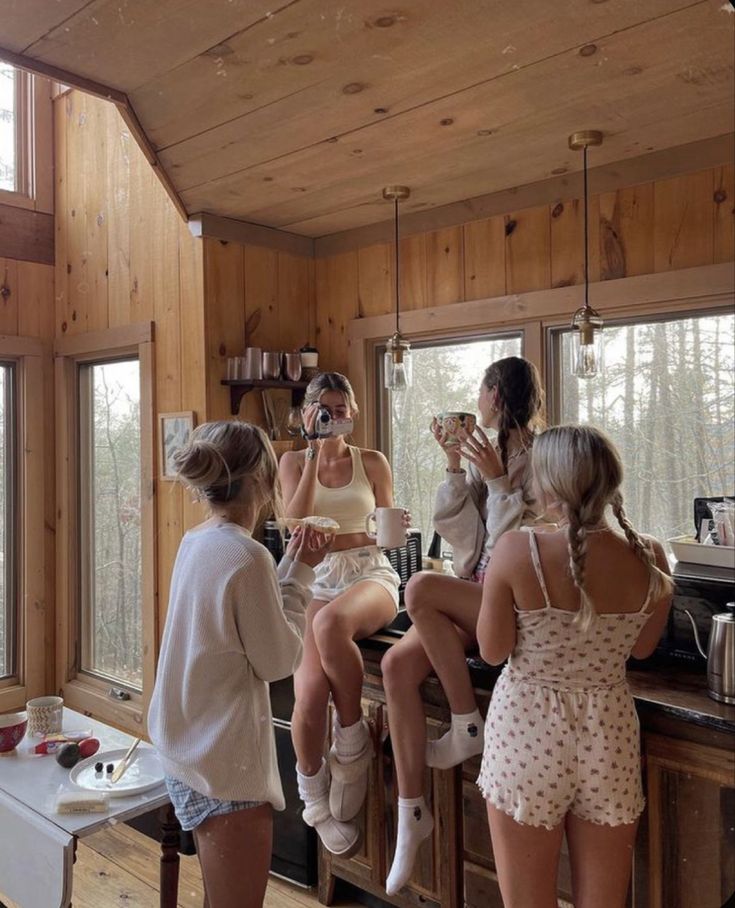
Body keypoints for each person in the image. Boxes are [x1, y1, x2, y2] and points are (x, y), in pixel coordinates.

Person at [476, 425, 673, 908]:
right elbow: (643, 648)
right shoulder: (651, 556)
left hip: (527, 731)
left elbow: (492, 650)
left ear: (549, 484)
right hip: (608, 733)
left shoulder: (517, 551)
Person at [148, 421, 332, 908]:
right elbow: (277, 661)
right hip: (224, 764)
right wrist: (305, 573)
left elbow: (239, 629)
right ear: (264, 480)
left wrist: (290, 570)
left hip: (185, 748)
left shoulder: (198, 540)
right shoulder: (247, 556)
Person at [381, 355, 544, 895]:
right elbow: (459, 536)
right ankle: (412, 814)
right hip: (474, 592)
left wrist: (500, 485)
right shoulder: (483, 454)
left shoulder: (542, 459)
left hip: (511, 603)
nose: (475, 401)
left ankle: (465, 722)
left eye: (480, 390)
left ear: (495, 395)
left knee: (420, 588)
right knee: (395, 666)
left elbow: (515, 555)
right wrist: (455, 465)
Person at [279, 371, 403, 856]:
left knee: (330, 624)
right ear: (310, 413)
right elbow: (297, 526)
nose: (336, 417)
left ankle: (351, 746)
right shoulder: (292, 461)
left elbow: (388, 535)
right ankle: (315, 805)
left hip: (370, 576)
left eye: (342, 407)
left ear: (354, 410)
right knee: (308, 692)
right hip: (315, 578)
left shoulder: (372, 461)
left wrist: (355, 538)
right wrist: (313, 450)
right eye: (325, 409)